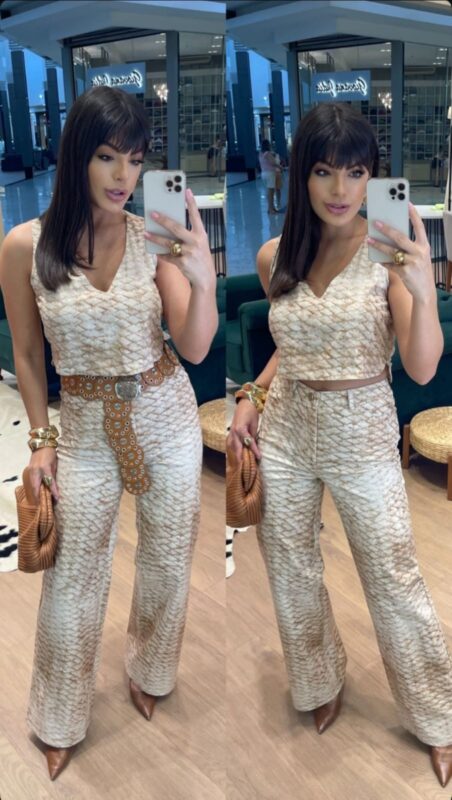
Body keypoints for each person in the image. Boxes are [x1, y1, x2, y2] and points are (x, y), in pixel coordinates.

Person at [228, 103, 452, 787]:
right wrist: (252, 393)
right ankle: (318, 680)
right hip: (288, 429)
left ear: (373, 177)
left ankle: (438, 714)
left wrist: (421, 285)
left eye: (356, 172)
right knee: (289, 565)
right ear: (303, 174)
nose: (340, 189)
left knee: (393, 576)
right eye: (324, 171)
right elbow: (293, 346)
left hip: (363, 429)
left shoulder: (388, 256)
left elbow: (420, 367)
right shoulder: (276, 255)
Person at [0, 86, 218, 780]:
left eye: (135, 159)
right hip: (87, 431)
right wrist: (41, 442)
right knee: (72, 578)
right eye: (106, 156)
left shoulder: (154, 236)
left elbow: (194, 347)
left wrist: (201, 275)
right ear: (77, 157)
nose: (124, 175)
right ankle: (58, 715)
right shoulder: (25, 246)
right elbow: (27, 354)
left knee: (167, 562)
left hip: (167, 415)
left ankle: (150, 672)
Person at [259, 139, 282, 214]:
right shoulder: (268, 153)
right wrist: (280, 166)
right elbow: (273, 163)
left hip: (263, 173)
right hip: (270, 173)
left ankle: (271, 208)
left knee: (269, 191)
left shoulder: (261, 154)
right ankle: (271, 209)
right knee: (271, 193)